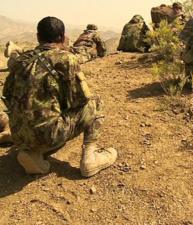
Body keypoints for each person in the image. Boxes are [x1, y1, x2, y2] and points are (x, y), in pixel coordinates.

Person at [3, 16, 117, 177]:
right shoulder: (65, 59)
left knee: (42, 119)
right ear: (63, 37)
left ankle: (33, 154)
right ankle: (91, 158)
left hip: (19, 135)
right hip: (49, 134)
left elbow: (7, 95)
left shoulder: (21, 60)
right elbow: (79, 100)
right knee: (95, 102)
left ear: (37, 37)